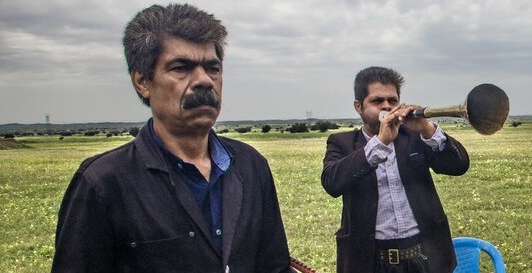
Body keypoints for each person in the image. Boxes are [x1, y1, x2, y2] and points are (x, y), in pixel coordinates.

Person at [51, 4, 293, 273]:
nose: (204, 80)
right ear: (142, 82)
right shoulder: (103, 181)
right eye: (181, 68)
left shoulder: (250, 165)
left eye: (213, 68)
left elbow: (274, 267)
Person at [322, 66, 470, 273]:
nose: (386, 107)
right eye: (377, 101)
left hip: (425, 257)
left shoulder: (416, 136)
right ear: (358, 106)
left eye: (392, 101)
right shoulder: (342, 142)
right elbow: (332, 183)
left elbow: (458, 166)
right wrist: (380, 142)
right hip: (371, 262)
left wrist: (427, 130)